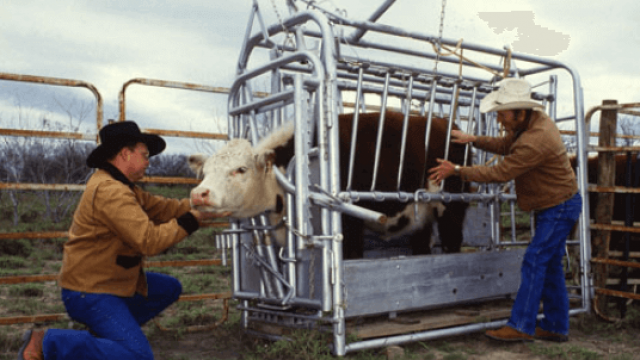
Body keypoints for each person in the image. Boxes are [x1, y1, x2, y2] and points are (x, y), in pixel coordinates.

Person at [17, 121, 228, 360]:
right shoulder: (111, 191)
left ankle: (104, 339)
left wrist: (196, 204)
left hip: (111, 281)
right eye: (145, 155)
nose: (149, 161)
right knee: (137, 356)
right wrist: (194, 218)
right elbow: (149, 241)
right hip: (91, 291)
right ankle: (49, 342)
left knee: (169, 288)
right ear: (125, 154)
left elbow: (162, 208)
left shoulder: (123, 186)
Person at [428, 78, 582, 343]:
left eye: (502, 114)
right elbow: (505, 145)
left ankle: (521, 325)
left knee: (535, 260)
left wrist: (456, 170)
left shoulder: (536, 139)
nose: (499, 120)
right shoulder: (530, 124)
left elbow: (500, 172)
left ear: (520, 112)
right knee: (550, 265)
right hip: (554, 204)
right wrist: (473, 139)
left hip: (559, 206)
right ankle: (556, 326)